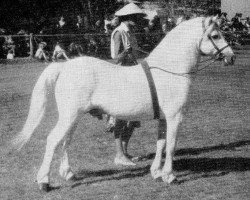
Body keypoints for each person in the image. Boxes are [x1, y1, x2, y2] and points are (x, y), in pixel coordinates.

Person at [109, 2, 145, 166]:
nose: (139, 19)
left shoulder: (130, 32)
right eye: (137, 17)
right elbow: (115, 58)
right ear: (129, 18)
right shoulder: (119, 32)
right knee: (122, 117)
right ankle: (118, 154)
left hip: (133, 75)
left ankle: (124, 152)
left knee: (134, 117)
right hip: (121, 77)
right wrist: (126, 52)